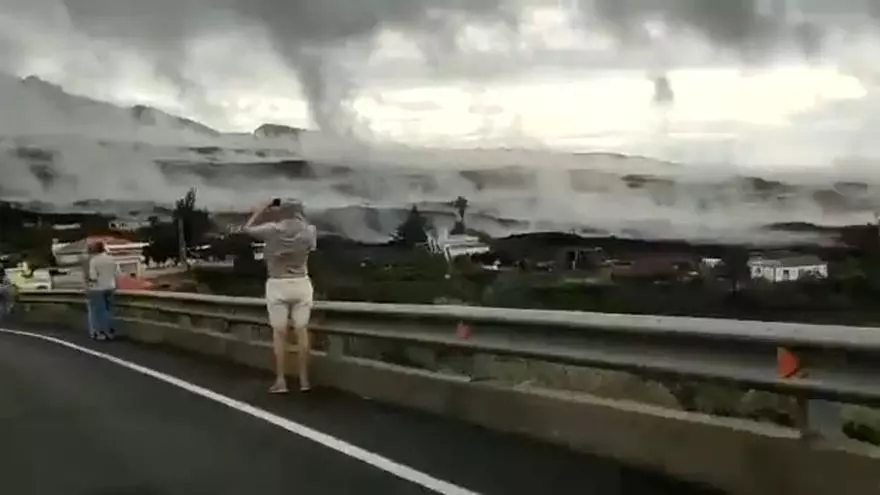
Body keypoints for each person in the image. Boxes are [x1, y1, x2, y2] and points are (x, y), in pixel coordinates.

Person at [243, 199, 317, 394]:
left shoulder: (272, 229)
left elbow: (247, 229)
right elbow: (312, 247)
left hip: (277, 284)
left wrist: (262, 208)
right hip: (301, 283)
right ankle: (304, 380)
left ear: (281, 212)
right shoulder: (309, 230)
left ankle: (281, 380)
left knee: (279, 333)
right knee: (301, 330)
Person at [87, 241, 119, 341]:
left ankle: (102, 332)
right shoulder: (111, 259)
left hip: (98, 288)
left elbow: (93, 277)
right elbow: (117, 272)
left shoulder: (94, 261)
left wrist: (89, 282)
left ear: (95, 250)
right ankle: (110, 331)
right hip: (111, 287)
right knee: (109, 310)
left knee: (99, 311)